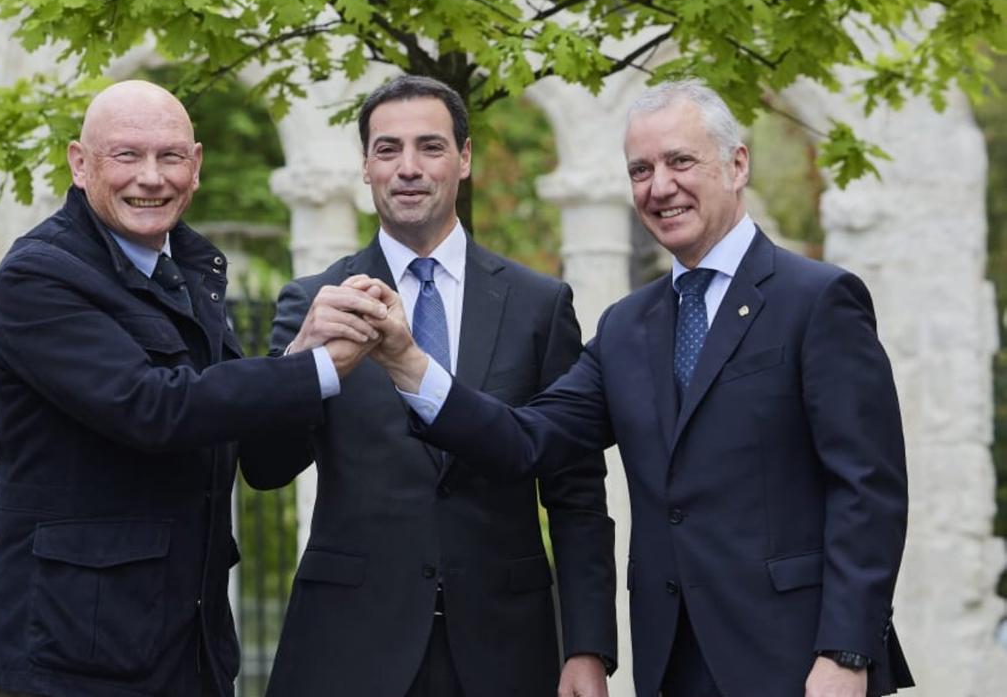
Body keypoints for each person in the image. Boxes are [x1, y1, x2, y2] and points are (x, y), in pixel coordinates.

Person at [366, 79, 913, 697]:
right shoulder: (627, 326)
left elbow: (868, 489)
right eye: (640, 169)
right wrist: (410, 365)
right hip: (671, 661)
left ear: (737, 165)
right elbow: (528, 438)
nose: (660, 186)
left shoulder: (817, 301)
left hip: (800, 662)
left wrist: (846, 650)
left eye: (680, 161)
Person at [0, 80, 384, 697]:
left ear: (196, 166)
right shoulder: (39, 276)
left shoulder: (191, 268)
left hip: (188, 647)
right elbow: (153, 408)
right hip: (70, 656)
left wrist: (306, 351)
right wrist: (316, 369)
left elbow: (253, 456)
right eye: (127, 156)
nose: (151, 177)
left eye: (169, 157)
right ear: (80, 165)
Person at [240, 75, 616, 697]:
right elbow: (265, 465)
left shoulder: (538, 304)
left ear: (464, 159)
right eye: (387, 150)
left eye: (430, 147)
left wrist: (587, 647)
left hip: (507, 647)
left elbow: (576, 493)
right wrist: (299, 361)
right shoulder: (315, 301)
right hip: (349, 648)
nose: (407, 168)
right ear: (365, 167)